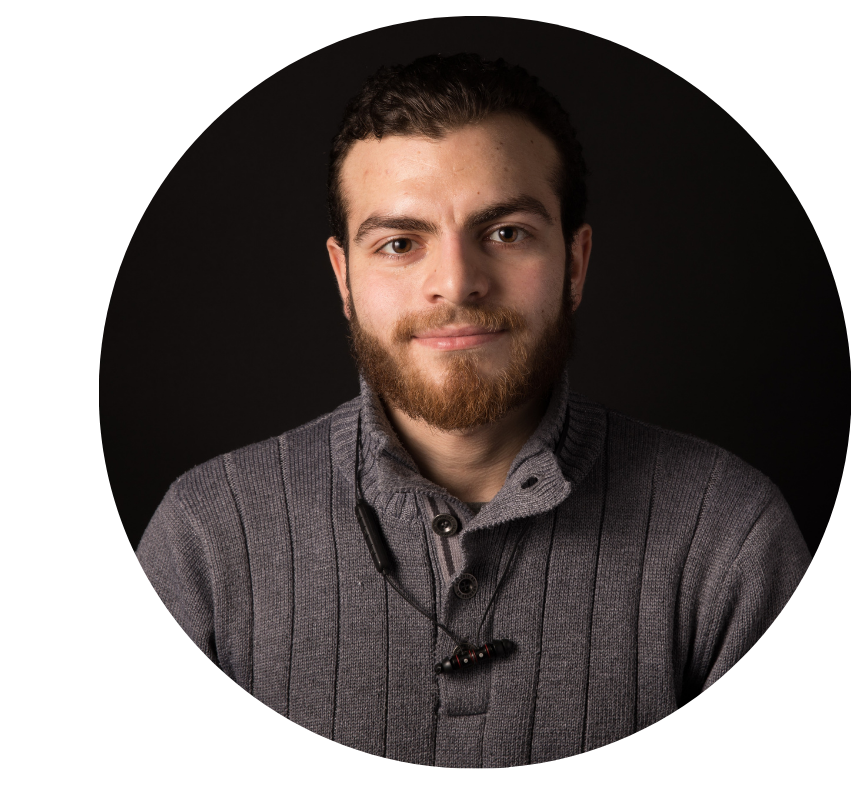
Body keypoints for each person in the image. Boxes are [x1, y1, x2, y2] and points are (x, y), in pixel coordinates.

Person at [135, 53, 812, 767]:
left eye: (506, 232)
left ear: (576, 264)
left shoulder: (731, 538)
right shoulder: (207, 535)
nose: (457, 283)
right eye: (400, 243)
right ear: (344, 278)